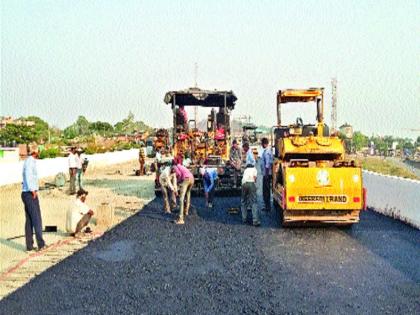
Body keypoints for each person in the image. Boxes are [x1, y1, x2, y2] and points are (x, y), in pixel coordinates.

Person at [21, 147, 46, 251]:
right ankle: (41, 244)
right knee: (36, 219)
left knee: (29, 220)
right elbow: (28, 176)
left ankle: (29, 246)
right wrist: (33, 190)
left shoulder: (29, 161)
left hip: (26, 193)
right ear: (36, 152)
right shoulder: (30, 162)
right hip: (30, 193)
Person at [261, 138, 273, 211]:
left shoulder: (267, 152)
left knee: (266, 191)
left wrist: (266, 175)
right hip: (266, 174)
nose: (261, 145)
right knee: (265, 191)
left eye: (262, 143)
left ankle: (267, 207)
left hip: (267, 174)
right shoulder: (266, 151)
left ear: (264, 144)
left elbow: (267, 165)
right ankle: (267, 206)